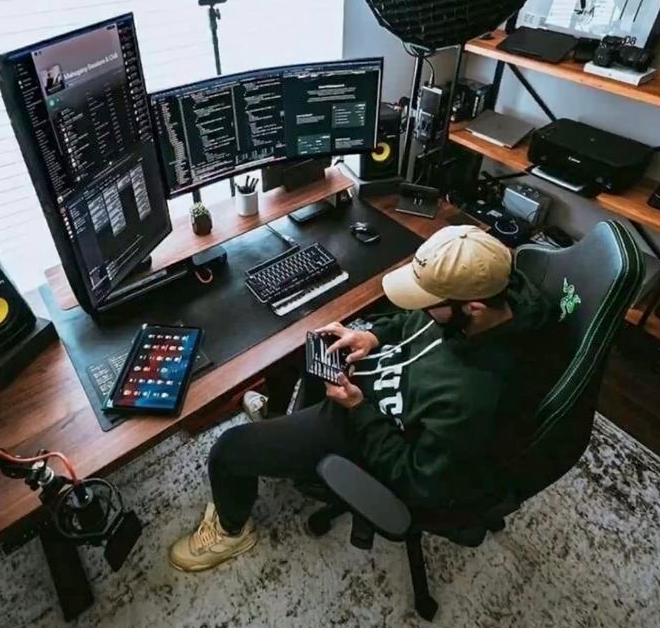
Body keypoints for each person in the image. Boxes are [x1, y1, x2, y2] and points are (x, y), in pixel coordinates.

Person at [169, 225, 556, 572]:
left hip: (368, 429)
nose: (420, 306)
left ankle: (231, 530)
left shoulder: (472, 398)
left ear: (472, 309)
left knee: (228, 450)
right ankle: (289, 446)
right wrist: (372, 336)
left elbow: (417, 480)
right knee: (305, 348)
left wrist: (357, 408)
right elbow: (413, 321)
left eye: (428, 301)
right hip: (367, 391)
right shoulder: (491, 297)